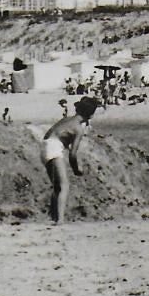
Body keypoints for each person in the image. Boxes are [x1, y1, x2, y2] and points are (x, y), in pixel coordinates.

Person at [42, 96, 99, 224]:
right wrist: (76, 169)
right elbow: (73, 155)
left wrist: (62, 142)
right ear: (90, 114)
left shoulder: (65, 120)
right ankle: (60, 220)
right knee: (64, 185)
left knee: (57, 186)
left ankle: (53, 216)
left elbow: (48, 134)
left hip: (45, 146)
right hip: (54, 148)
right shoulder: (78, 129)